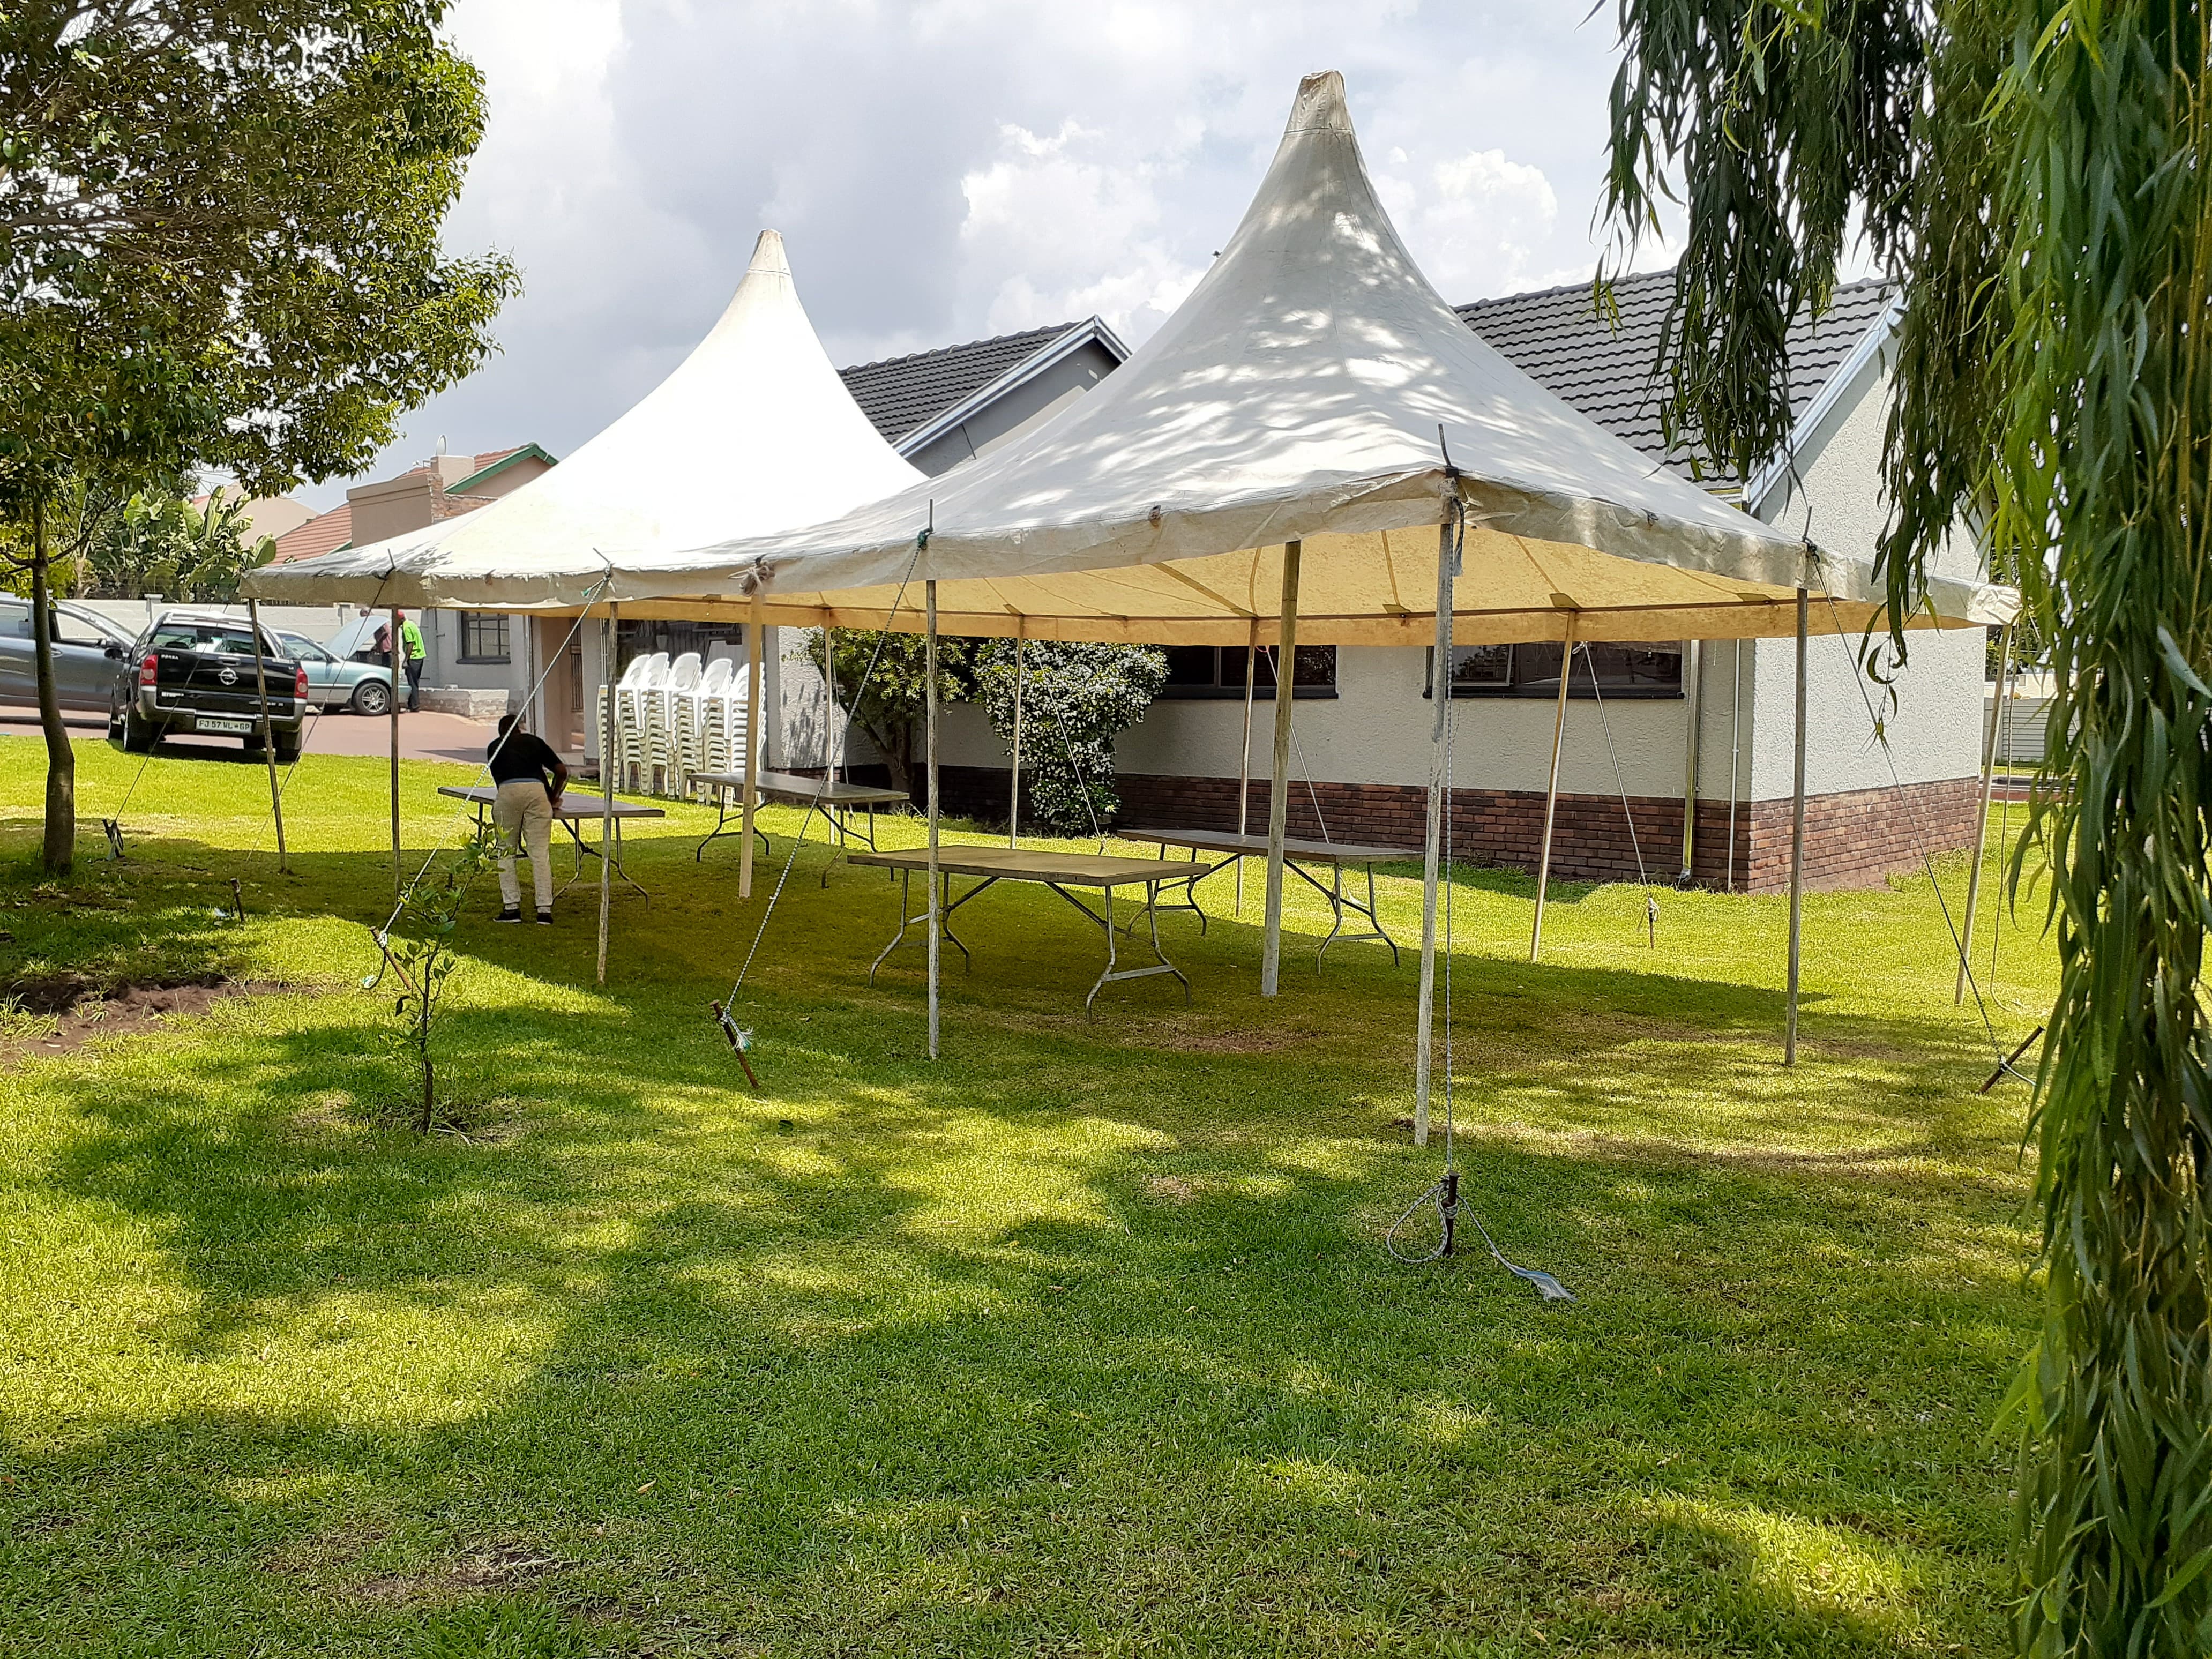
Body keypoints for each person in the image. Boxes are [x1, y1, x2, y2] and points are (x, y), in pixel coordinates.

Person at [488, 712, 567, 924]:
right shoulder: (535, 742)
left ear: (501, 732)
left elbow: (503, 781)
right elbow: (561, 771)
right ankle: (544, 910)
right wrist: (553, 795)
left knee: (506, 851)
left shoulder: (494, 747)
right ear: (519, 729)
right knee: (540, 853)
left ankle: (512, 908)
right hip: (538, 793)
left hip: (508, 791)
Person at [398, 610, 428, 711]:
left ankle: (415, 706)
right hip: (420, 656)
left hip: (414, 658)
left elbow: (410, 644)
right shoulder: (412, 624)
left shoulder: (406, 628)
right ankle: (412, 704)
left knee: (412, 683)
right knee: (415, 681)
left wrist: (406, 660)